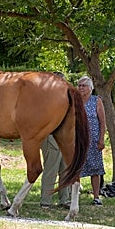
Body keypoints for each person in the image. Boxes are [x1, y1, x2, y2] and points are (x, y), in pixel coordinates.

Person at [40, 71, 71, 209]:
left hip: (64, 137)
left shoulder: (64, 97)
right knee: (51, 169)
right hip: (50, 136)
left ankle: (65, 199)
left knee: (66, 169)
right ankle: (46, 200)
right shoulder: (45, 99)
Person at [78, 75, 106, 206]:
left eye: (83, 85)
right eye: (79, 85)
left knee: (95, 169)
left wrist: (101, 139)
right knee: (76, 167)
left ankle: (96, 196)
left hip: (94, 139)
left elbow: (102, 121)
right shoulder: (75, 100)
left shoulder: (96, 100)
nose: (81, 88)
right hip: (78, 139)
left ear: (90, 88)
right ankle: (74, 195)